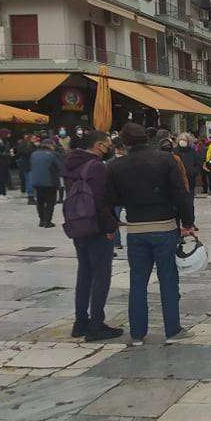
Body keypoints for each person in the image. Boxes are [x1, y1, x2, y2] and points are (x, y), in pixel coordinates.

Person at [106, 123, 196, 345]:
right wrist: (188, 222)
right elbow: (180, 193)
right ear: (147, 138)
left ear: (124, 143)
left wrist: (111, 225)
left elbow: (110, 199)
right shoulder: (165, 160)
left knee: (137, 281)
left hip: (136, 229)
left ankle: (137, 334)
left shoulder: (116, 166)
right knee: (168, 279)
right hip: (164, 226)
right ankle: (172, 329)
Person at [64, 131, 123, 342]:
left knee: (85, 273)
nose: (110, 147)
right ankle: (96, 324)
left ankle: (80, 322)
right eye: (108, 144)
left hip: (78, 224)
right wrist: (110, 227)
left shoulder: (71, 163)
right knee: (101, 275)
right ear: (99, 145)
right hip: (96, 226)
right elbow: (100, 201)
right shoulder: (96, 166)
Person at [28, 138, 62, 228]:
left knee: (40, 202)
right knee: (50, 202)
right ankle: (48, 222)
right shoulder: (53, 154)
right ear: (51, 145)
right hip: (50, 182)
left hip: (36, 181)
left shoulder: (34, 154)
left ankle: (41, 220)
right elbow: (60, 166)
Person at [16, 134, 36, 205]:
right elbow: (26, 153)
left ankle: (32, 196)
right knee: (29, 181)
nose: (35, 139)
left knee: (31, 181)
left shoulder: (31, 145)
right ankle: (30, 197)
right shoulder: (25, 145)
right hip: (28, 166)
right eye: (33, 138)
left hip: (31, 166)